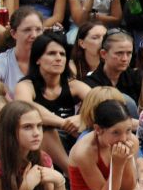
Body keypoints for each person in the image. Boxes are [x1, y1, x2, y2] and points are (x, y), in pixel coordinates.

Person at [13, 32, 89, 171]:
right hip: (38, 147)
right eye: (52, 53)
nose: (58, 58)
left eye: (62, 54)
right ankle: (72, 173)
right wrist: (63, 123)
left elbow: (103, 103)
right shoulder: (26, 86)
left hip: (72, 141)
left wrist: (82, 118)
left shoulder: (73, 86)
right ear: (37, 59)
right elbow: (26, 109)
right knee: (45, 128)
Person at [0, 7, 44, 96]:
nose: (34, 35)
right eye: (27, 30)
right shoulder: (0, 62)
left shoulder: (52, 58)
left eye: (38, 29)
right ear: (13, 33)